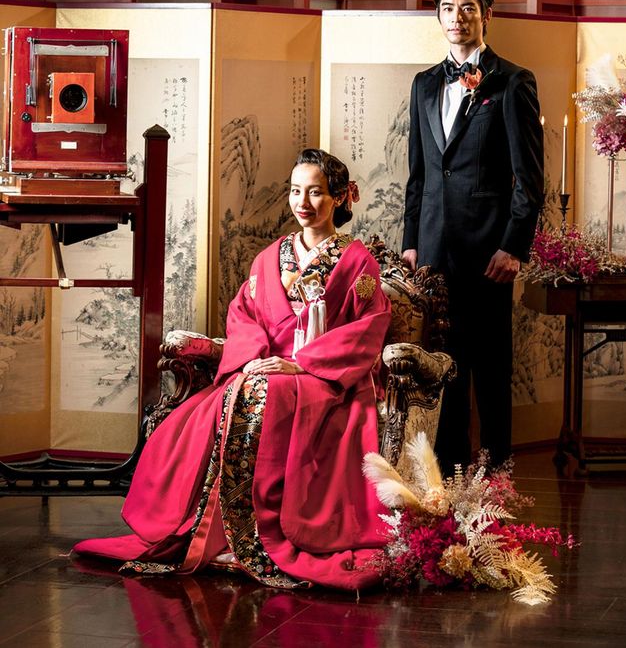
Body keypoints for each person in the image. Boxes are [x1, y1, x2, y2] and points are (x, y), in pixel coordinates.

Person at [74, 149, 392, 591]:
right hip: (264, 365)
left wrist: (299, 364)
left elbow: (367, 328)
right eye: (295, 191)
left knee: (265, 394)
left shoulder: (358, 262)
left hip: (320, 376)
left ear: (339, 197)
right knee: (221, 403)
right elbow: (244, 315)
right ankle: (217, 530)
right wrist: (255, 357)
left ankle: (257, 532)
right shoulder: (269, 258)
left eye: (316, 193)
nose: (303, 203)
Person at [401, 0, 544, 469]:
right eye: (447, 8)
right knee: (444, 365)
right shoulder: (423, 85)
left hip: (489, 253)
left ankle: (498, 473)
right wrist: (411, 243)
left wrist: (513, 247)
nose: (456, 17)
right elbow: (419, 174)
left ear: (487, 14)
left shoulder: (512, 82)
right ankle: (451, 475)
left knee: (491, 367)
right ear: (438, 15)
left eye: (467, 7)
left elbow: (530, 178)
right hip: (433, 253)